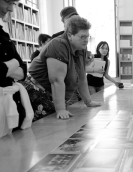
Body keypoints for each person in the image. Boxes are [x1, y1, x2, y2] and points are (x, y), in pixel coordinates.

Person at [28, 16, 101, 120]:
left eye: (87, 37)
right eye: (82, 37)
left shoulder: (81, 48)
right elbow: (56, 80)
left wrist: (88, 101)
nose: (86, 40)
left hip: (54, 96)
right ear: (70, 35)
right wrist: (61, 109)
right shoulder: (58, 44)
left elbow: (81, 77)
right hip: (38, 92)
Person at [0, 0, 31, 131]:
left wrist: (8, 66)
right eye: (7, 2)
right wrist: (15, 63)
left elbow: (23, 71)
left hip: (12, 102)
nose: (11, 9)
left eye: (13, 4)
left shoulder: (4, 35)